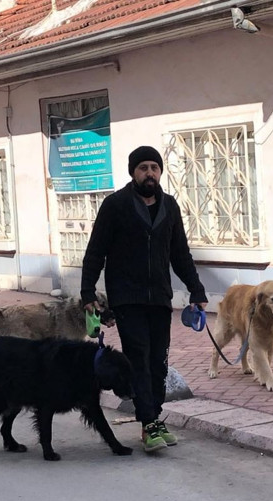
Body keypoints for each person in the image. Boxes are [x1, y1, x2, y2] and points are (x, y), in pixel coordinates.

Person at [81, 145, 208, 453]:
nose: (149, 173)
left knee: (158, 362)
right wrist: (87, 293)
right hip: (128, 298)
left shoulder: (170, 207)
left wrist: (197, 289)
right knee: (138, 359)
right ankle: (149, 423)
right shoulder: (116, 205)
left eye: (154, 167)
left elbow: (180, 254)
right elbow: (95, 251)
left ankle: (153, 419)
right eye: (143, 168)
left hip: (160, 299)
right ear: (133, 172)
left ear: (160, 172)